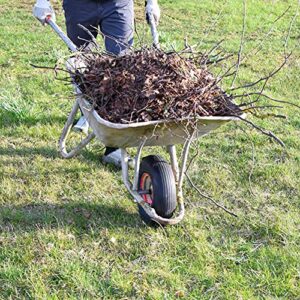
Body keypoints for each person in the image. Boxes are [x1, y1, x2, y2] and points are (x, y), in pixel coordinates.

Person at [33, 0, 160, 167]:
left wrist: (151, 2)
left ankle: (113, 147)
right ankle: (89, 114)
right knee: (84, 67)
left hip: (118, 4)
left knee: (122, 69)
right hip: (79, 5)